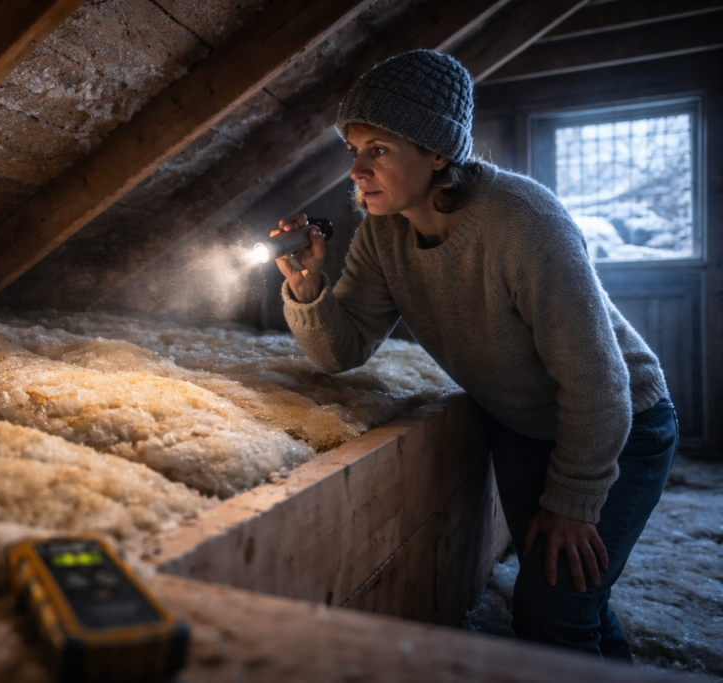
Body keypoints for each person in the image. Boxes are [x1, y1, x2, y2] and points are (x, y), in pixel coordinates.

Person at [273, 49, 676, 661]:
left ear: (438, 153)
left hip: (619, 426)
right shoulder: (384, 230)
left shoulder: (525, 222)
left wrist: (574, 500)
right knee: (569, 602)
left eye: (378, 149)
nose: (356, 169)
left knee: (553, 608)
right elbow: (344, 347)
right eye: (353, 149)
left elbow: (599, 381)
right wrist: (307, 289)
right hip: (520, 427)